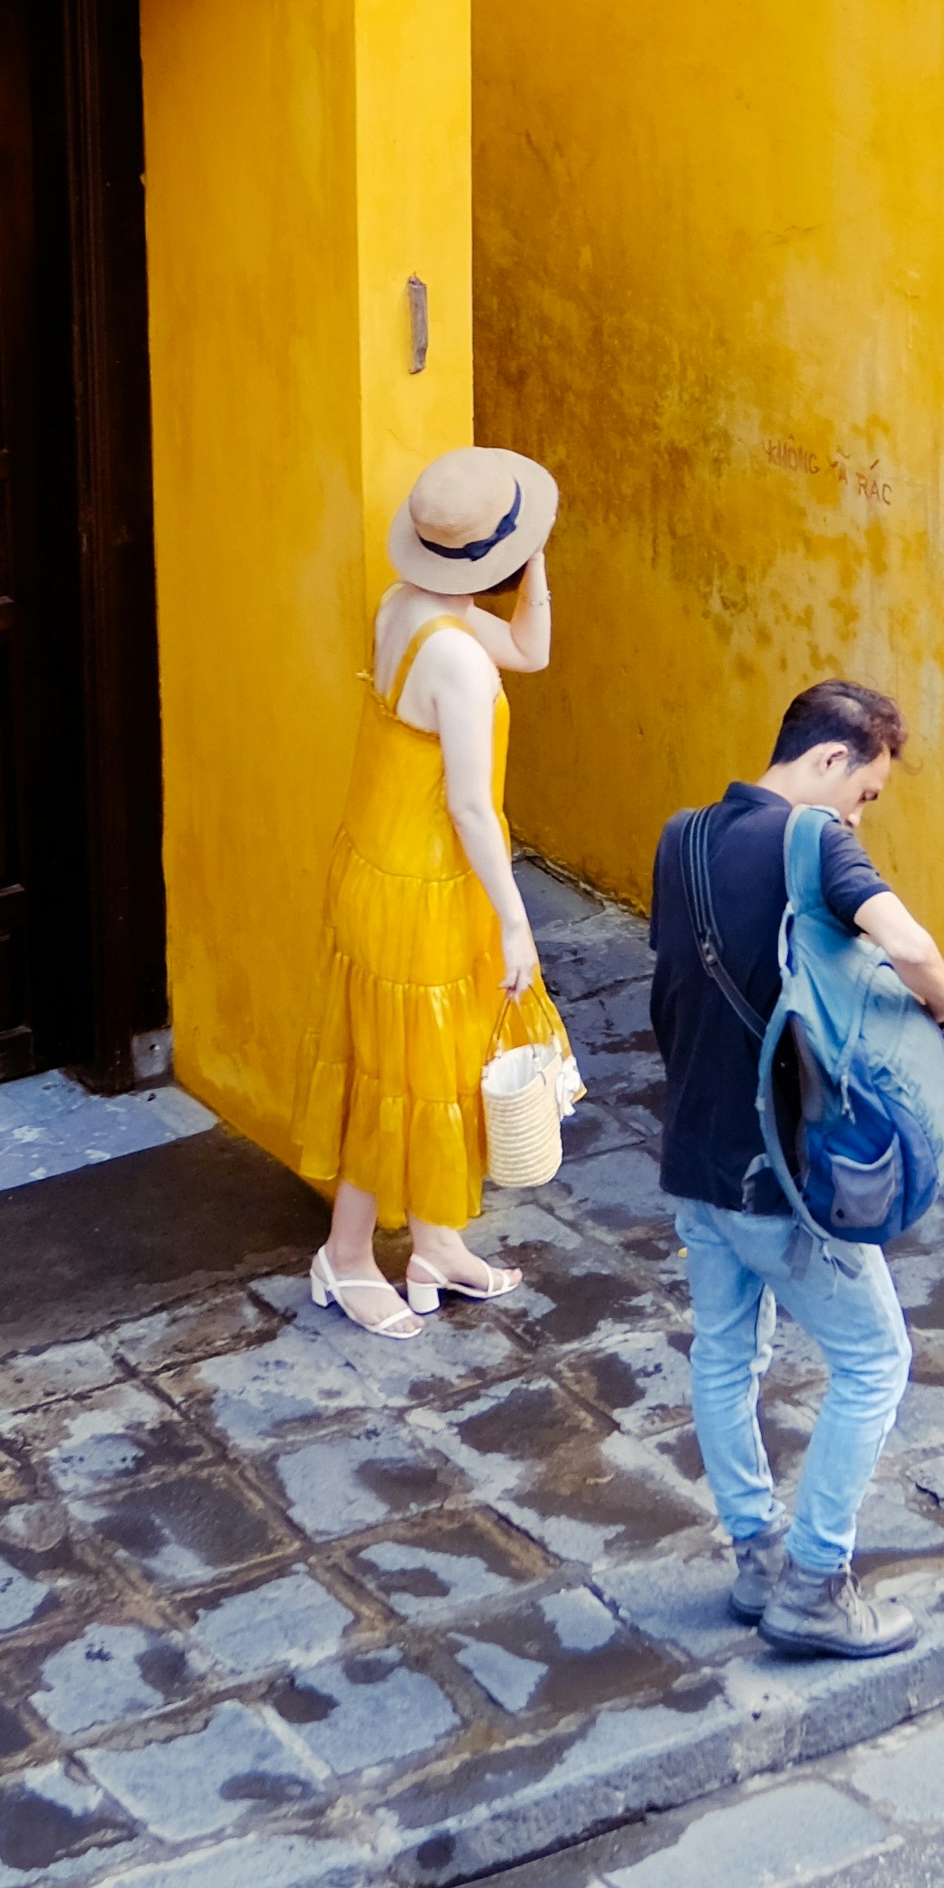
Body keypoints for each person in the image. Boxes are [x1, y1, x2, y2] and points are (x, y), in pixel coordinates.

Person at [649, 681, 944, 1659]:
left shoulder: (681, 836)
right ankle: (815, 1587)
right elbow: (906, 943)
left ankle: (755, 1559)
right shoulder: (815, 841)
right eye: (866, 792)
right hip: (781, 1172)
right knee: (876, 1361)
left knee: (723, 1355)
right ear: (830, 759)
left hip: (694, 1158)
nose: (859, 812)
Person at [295, 445, 559, 1332]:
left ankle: (438, 1244)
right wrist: (517, 924)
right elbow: (473, 810)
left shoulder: (407, 607)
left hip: (385, 861)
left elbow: (531, 646)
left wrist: (535, 573)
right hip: (423, 882)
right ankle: (344, 1257)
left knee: (433, 1061)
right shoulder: (459, 664)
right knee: (399, 1071)